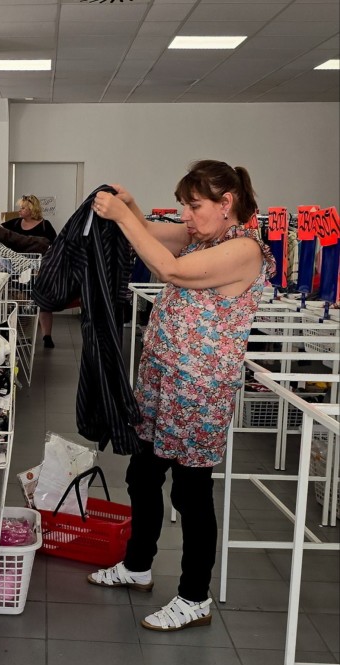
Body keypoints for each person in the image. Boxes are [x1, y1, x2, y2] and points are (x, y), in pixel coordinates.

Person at [86, 160, 276, 631]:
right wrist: (130, 208)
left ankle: (195, 598)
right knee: (143, 476)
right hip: (163, 383)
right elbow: (153, 234)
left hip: (198, 394)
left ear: (225, 203)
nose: (186, 217)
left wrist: (125, 217)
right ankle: (137, 566)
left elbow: (170, 269)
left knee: (192, 493)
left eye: (194, 206)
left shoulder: (244, 250)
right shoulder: (205, 238)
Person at [0, 195, 58, 348]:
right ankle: (19, 333)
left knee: (44, 302)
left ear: (31, 209)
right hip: (16, 270)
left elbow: (54, 246)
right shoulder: (15, 223)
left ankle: (47, 336)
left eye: (23, 208)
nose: (19, 211)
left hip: (38, 271)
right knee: (19, 302)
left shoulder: (45, 226)